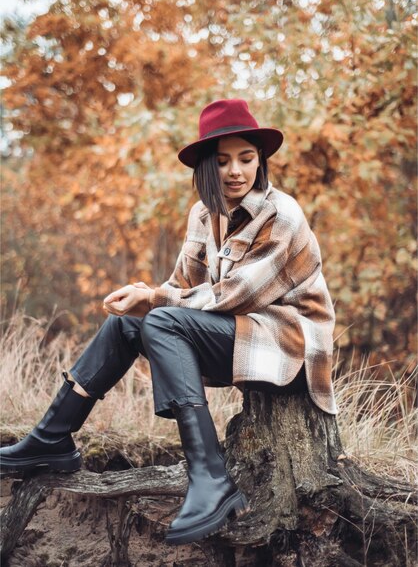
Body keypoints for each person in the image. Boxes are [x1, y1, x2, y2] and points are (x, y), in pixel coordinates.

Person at [0, 99, 337, 545]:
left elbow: (235, 295)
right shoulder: (203, 214)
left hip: (287, 349)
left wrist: (154, 300)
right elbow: (183, 285)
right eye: (222, 161)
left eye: (247, 158)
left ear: (261, 160)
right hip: (239, 341)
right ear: (204, 168)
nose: (236, 171)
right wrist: (145, 298)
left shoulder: (281, 214)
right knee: (131, 325)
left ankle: (210, 480)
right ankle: (52, 438)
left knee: (160, 319)